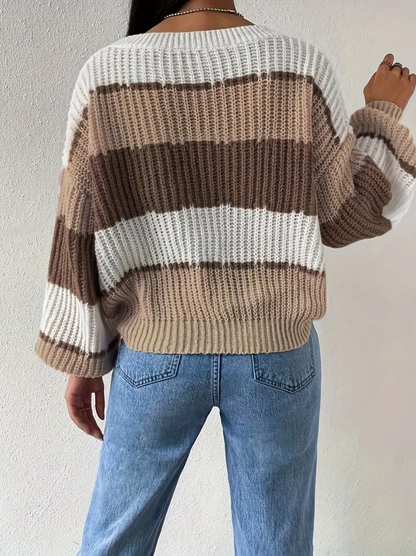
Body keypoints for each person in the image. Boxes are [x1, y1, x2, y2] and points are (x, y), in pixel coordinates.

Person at [34, 0, 416, 554]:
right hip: (276, 354)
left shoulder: (106, 73)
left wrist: (82, 358)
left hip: (155, 352)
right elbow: (347, 215)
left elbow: (76, 226)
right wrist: (381, 113)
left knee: (112, 542)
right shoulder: (298, 65)